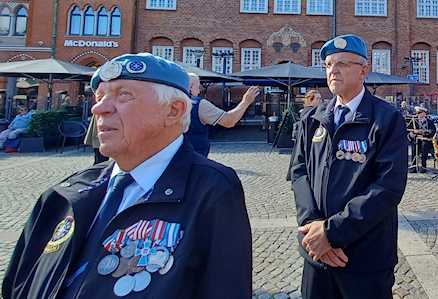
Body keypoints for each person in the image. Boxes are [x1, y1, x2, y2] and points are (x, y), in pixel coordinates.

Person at [2, 53, 252, 299]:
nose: (98, 108)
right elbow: (18, 284)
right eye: (99, 97)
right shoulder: (65, 193)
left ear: (174, 111)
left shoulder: (212, 190)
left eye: (123, 95)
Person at [290, 34, 407, 299]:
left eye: (342, 63)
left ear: (363, 71)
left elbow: (388, 187)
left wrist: (332, 233)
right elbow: (299, 172)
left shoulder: (386, 119)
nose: (333, 70)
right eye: (329, 64)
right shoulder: (313, 117)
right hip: (316, 256)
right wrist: (313, 226)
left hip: (364, 257)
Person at [184, 73, 260, 157]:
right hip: (193, 157)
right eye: (198, 87)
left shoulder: (172, 101)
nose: (199, 92)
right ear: (191, 87)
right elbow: (229, 120)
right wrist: (245, 102)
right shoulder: (198, 104)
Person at [287, 90, 325, 180]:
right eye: (317, 99)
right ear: (310, 101)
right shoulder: (309, 113)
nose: (320, 101)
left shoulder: (311, 112)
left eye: (320, 99)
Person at [409, 106, 436, 173]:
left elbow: (432, 132)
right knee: (414, 145)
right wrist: (411, 133)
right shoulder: (414, 121)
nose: (417, 115)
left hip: (426, 139)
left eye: (419, 113)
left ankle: (423, 165)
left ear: (424, 114)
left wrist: (424, 133)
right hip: (417, 139)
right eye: (417, 113)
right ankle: (414, 165)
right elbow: (409, 129)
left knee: (424, 145)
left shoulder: (429, 122)